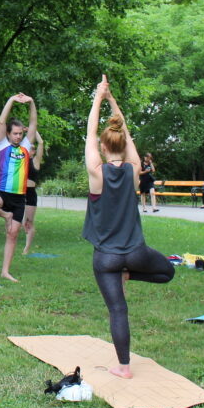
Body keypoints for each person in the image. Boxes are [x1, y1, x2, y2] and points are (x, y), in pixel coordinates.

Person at [83, 75, 173, 378]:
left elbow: (90, 130)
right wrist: (112, 101)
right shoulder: (135, 170)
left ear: (103, 146)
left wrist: (99, 96)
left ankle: (123, 367)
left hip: (107, 258)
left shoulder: (97, 172)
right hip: (135, 252)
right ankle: (130, 273)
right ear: (124, 143)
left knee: (118, 310)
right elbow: (128, 137)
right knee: (167, 271)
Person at [0, 93, 38, 282]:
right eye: (15, 133)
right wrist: (11, 100)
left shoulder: (26, 147)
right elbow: (1, 122)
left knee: (12, 235)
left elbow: (33, 123)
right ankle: (5, 215)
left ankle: (5, 271)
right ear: (9, 134)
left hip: (19, 197)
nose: (18, 136)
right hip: (1, 193)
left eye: (20, 133)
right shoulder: (2, 145)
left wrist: (31, 103)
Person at [22, 131, 45, 255]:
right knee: (20, 222)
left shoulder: (35, 161)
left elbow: (41, 143)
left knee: (29, 222)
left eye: (33, 149)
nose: (32, 150)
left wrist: (33, 131)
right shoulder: (20, 160)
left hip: (30, 194)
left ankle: (26, 248)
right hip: (19, 193)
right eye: (29, 147)